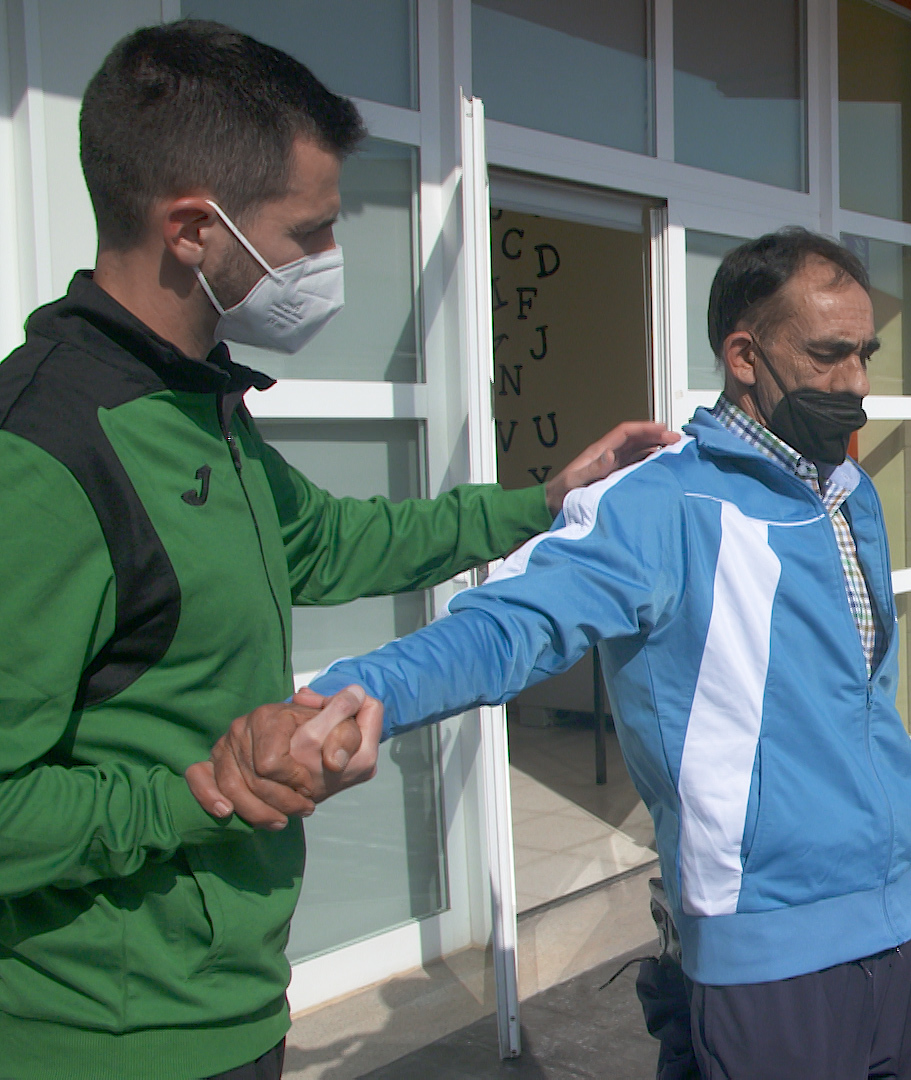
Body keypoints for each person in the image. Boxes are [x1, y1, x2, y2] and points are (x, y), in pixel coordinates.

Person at [0, 22, 671, 1080]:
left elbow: (323, 542)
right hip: (104, 1038)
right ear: (191, 229)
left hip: (227, 1002)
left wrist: (541, 501)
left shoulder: (193, 403)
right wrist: (204, 793)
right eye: (307, 234)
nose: (324, 264)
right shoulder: (43, 457)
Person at [196, 229, 911, 1080]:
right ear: (744, 354)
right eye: (830, 356)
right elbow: (510, 624)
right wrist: (357, 695)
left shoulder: (849, 491)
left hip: (897, 923)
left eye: (865, 354)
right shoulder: (661, 503)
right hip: (768, 951)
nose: (857, 384)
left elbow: (866, 692)